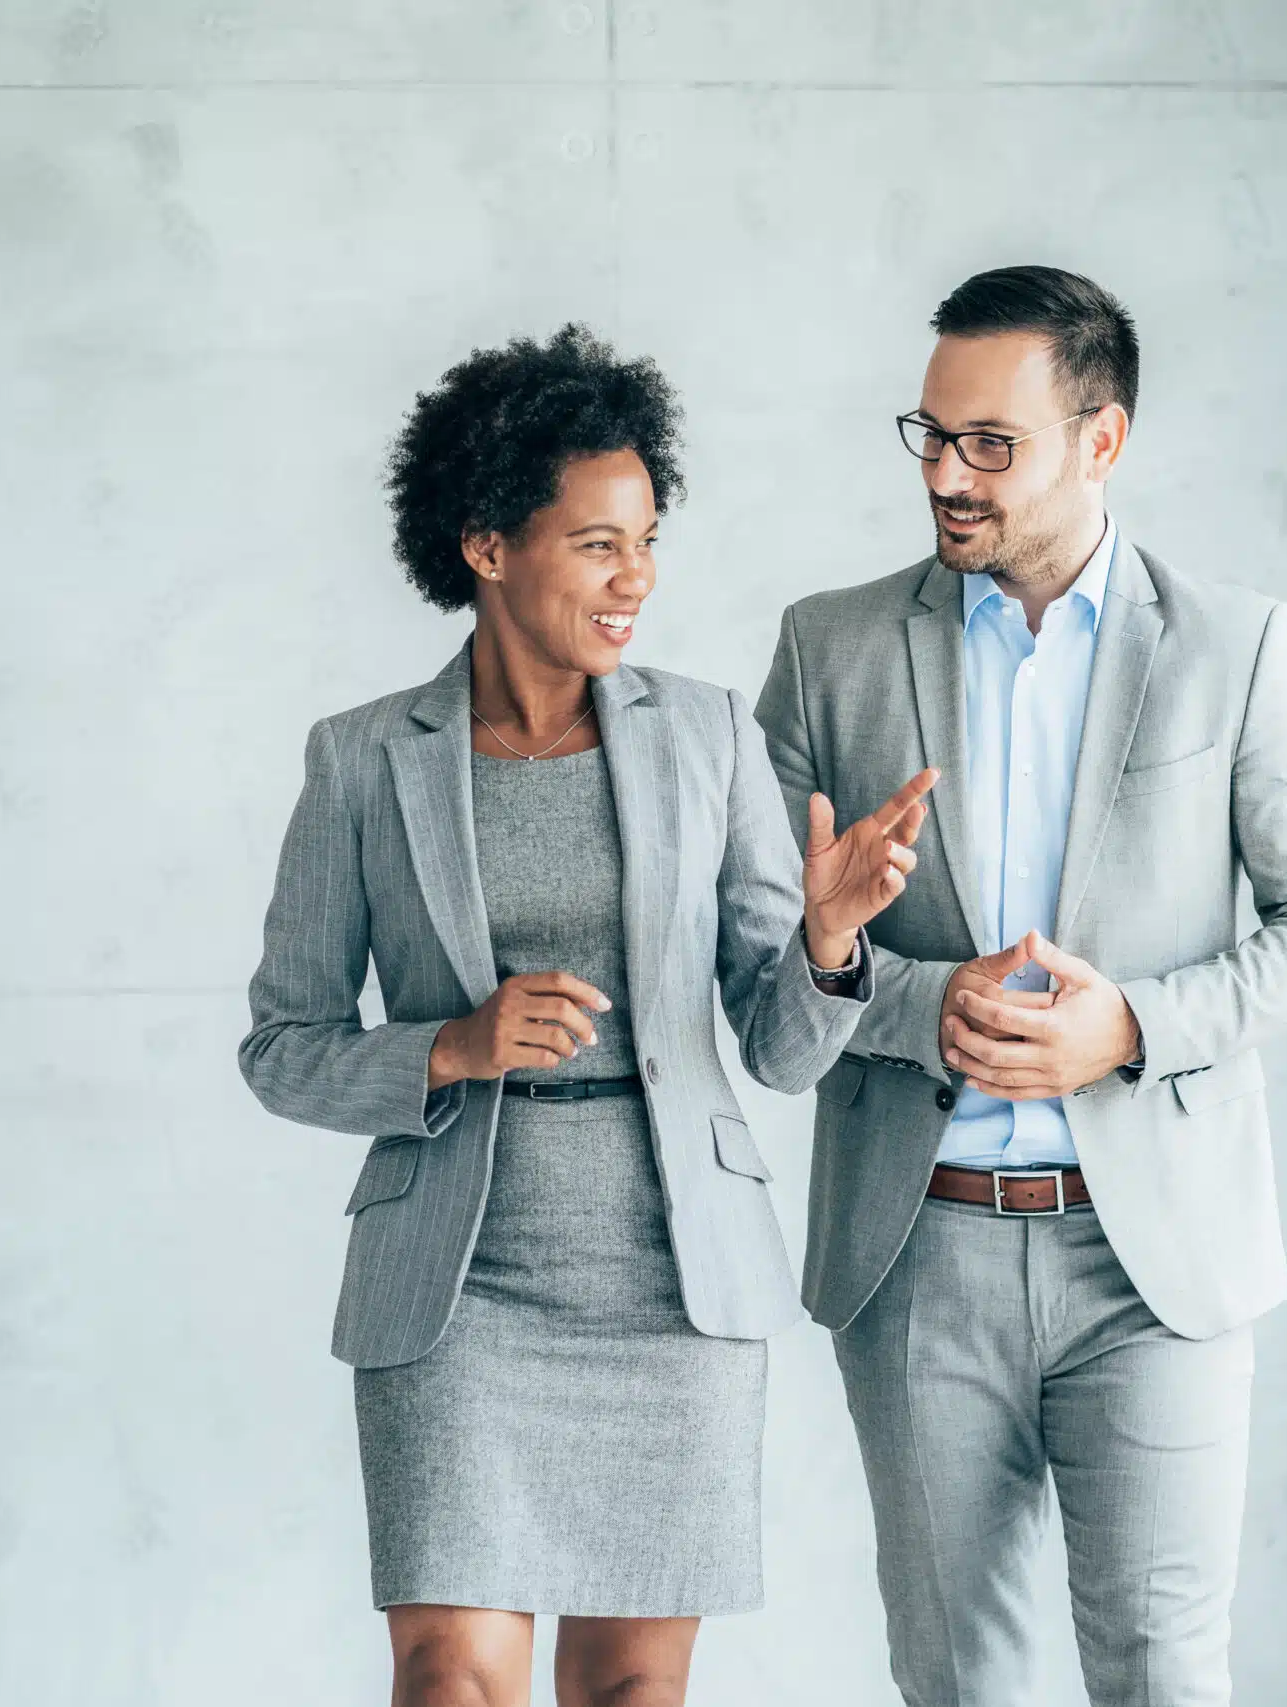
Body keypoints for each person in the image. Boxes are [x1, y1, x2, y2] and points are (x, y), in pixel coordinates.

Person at [238, 325, 937, 1707]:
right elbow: (283, 1044)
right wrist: (452, 1044)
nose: (640, 581)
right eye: (599, 545)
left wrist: (830, 936)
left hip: (672, 1278)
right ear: (488, 544)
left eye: (648, 540)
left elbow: (781, 1046)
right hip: (457, 1290)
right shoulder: (366, 759)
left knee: (629, 1690)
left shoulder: (708, 732)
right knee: (450, 1676)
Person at [755, 267, 1287, 1705]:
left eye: (991, 443)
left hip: (1154, 1264)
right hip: (918, 1252)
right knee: (955, 1681)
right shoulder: (829, 649)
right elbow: (763, 973)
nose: (946, 473)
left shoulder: (1234, 646)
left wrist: (1130, 1028)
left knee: (1164, 1675)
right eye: (928, 434)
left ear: (1100, 443)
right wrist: (883, 977)